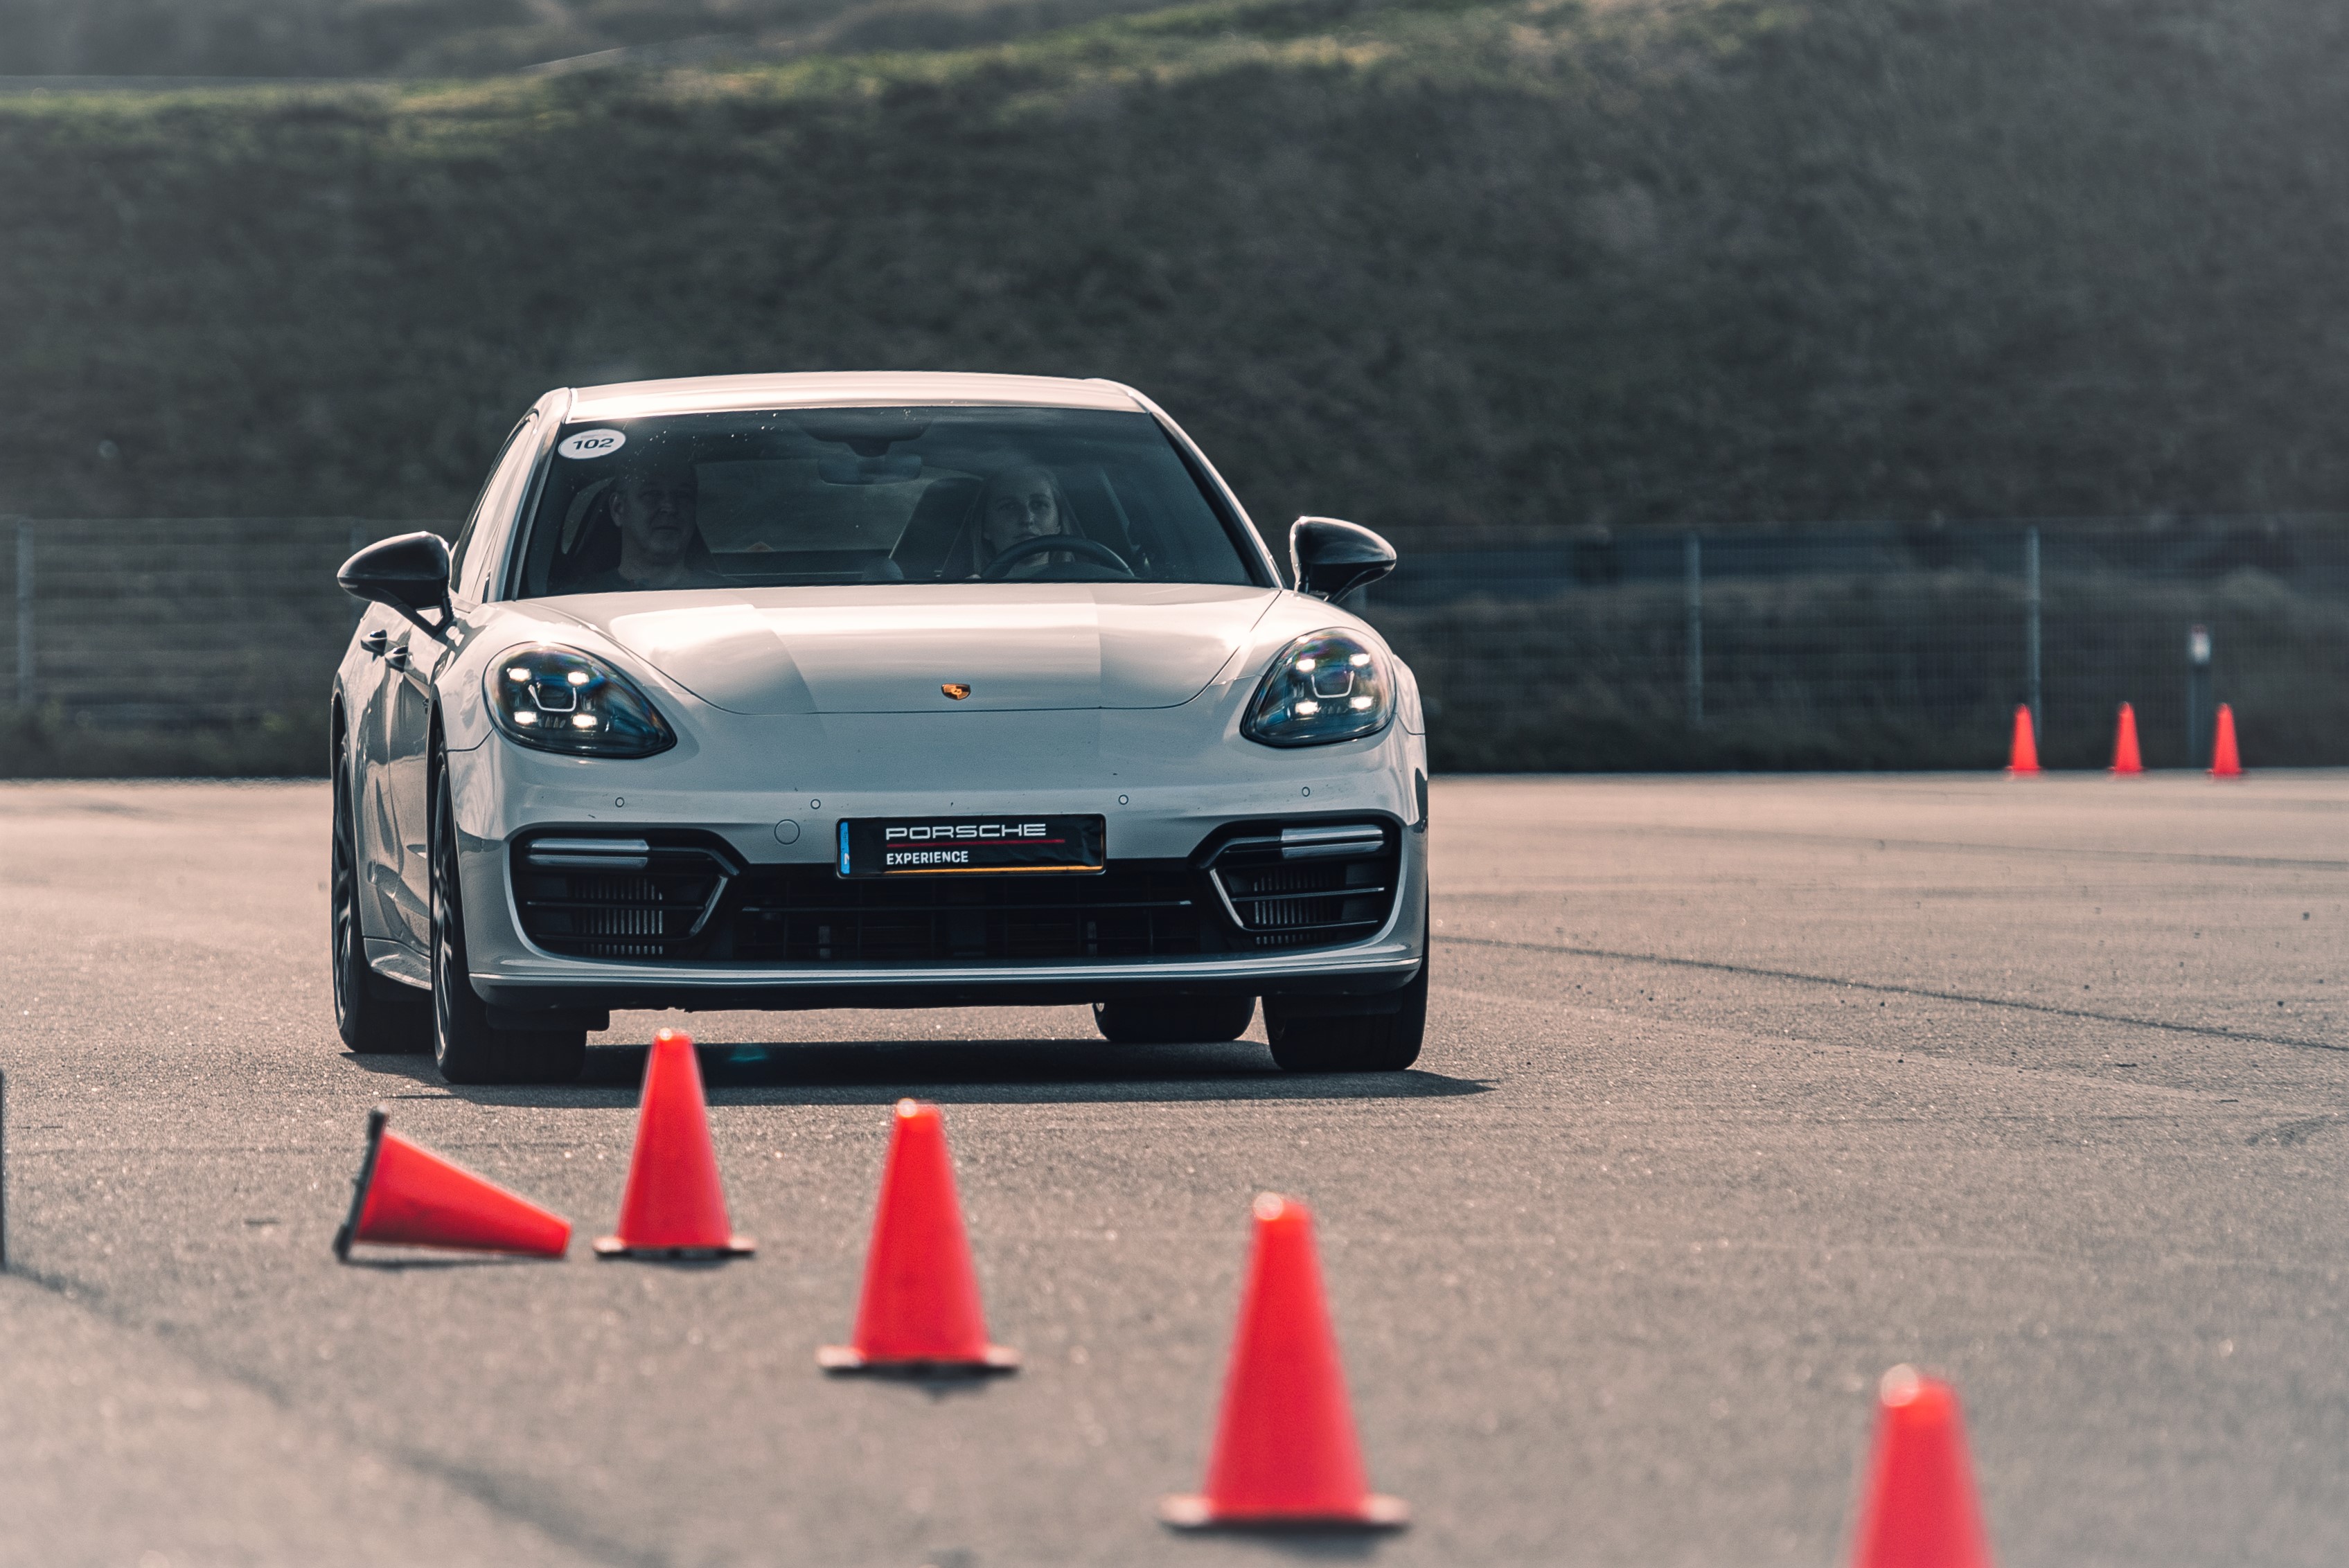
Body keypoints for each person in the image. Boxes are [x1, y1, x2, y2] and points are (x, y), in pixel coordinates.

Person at [566, 460, 729, 592]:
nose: (670, 507)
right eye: (652, 494)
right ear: (618, 509)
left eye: (683, 495)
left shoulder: (733, 604)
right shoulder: (572, 605)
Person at [977, 463, 1080, 576]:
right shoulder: (969, 591)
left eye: (1039, 504)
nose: (1027, 519)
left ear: (1059, 522)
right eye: (1009, 507)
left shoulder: (1088, 586)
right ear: (985, 526)